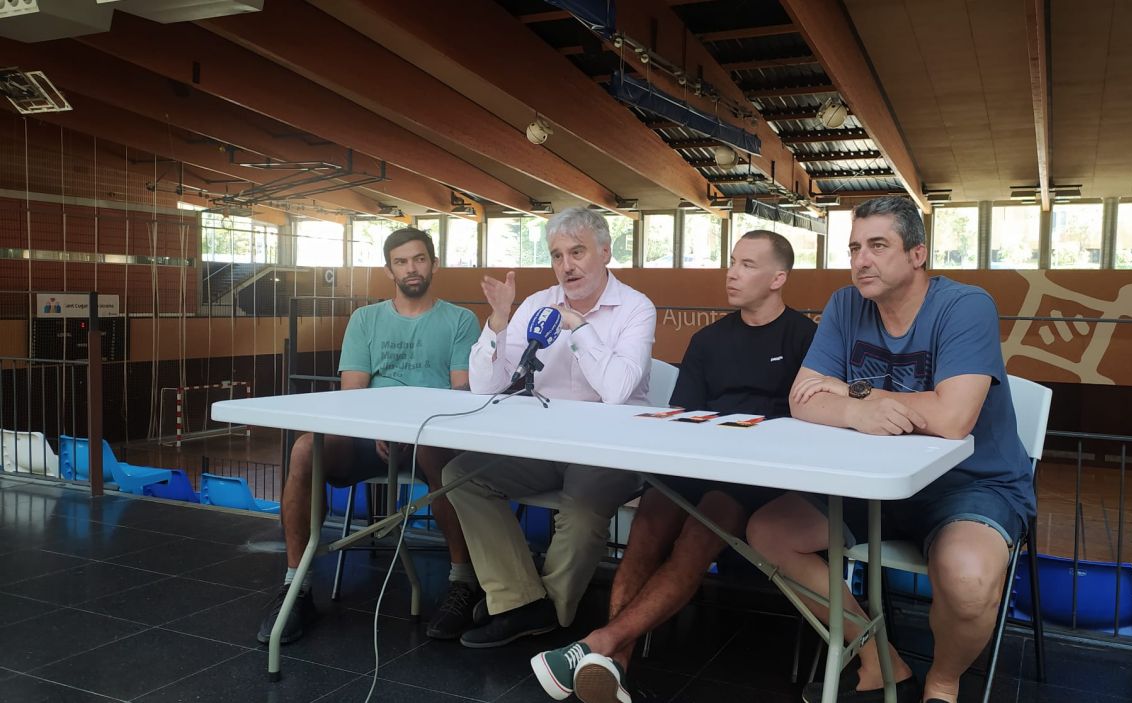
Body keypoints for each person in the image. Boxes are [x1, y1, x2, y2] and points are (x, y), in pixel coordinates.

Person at [745, 196, 1035, 703]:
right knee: (768, 532)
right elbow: (801, 398)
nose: (861, 260)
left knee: (968, 582)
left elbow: (952, 419)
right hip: (872, 483)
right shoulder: (845, 305)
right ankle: (879, 660)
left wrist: (854, 393)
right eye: (854, 247)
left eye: (878, 246)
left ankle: (942, 683)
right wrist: (857, 414)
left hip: (970, 486)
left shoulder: (965, 306)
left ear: (918, 254)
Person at [530, 231, 816, 703]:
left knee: (695, 541)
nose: (731, 273)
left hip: (755, 476)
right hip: (696, 463)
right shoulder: (708, 340)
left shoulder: (806, 339)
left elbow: (807, 423)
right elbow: (682, 418)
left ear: (778, 278)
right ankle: (614, 664)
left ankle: (599, 643)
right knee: (647, 527)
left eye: (747, 265)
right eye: (732, 261)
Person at [444, 207, 657, 649]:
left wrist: (578, 327)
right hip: (543, 444)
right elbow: (487, 386)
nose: (566, 266)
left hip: (610, 448)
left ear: (605, 253)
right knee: (460, 476)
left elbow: (617, 391)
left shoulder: (636, 307)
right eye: (557, 256)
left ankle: (546, 613)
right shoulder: (536, 304)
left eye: (577, 252)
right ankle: (521, 600)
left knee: (581, 509)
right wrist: (498, 321)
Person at [258, 228, 483, 644]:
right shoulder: (365, 319)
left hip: (430, 435)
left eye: (419, 259)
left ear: (434, 264)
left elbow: (460, 391)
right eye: (401, 262)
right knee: (305, 450)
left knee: (435, 452)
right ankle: (296, 587)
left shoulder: (460, 320)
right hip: (370, 436)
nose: (411, 268)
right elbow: (353, 394)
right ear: (389, 270)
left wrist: (411, 428)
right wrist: (380, 427)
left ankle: (463, 582)